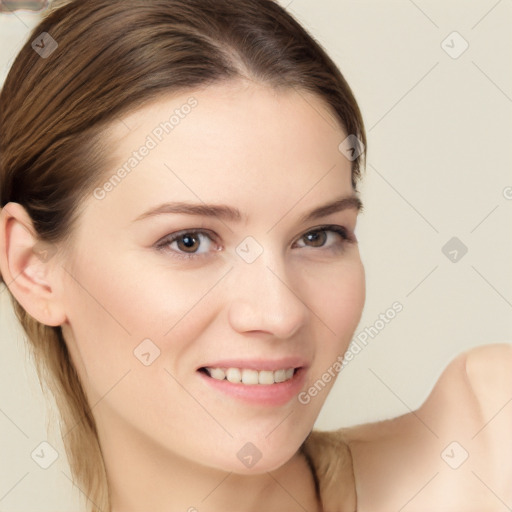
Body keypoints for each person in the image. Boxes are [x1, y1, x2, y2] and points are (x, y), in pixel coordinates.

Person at [0, 1, 510, 511]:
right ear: (32, 269)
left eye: (319, 236)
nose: (279, 313)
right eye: (190, 241)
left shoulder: (489, 443)